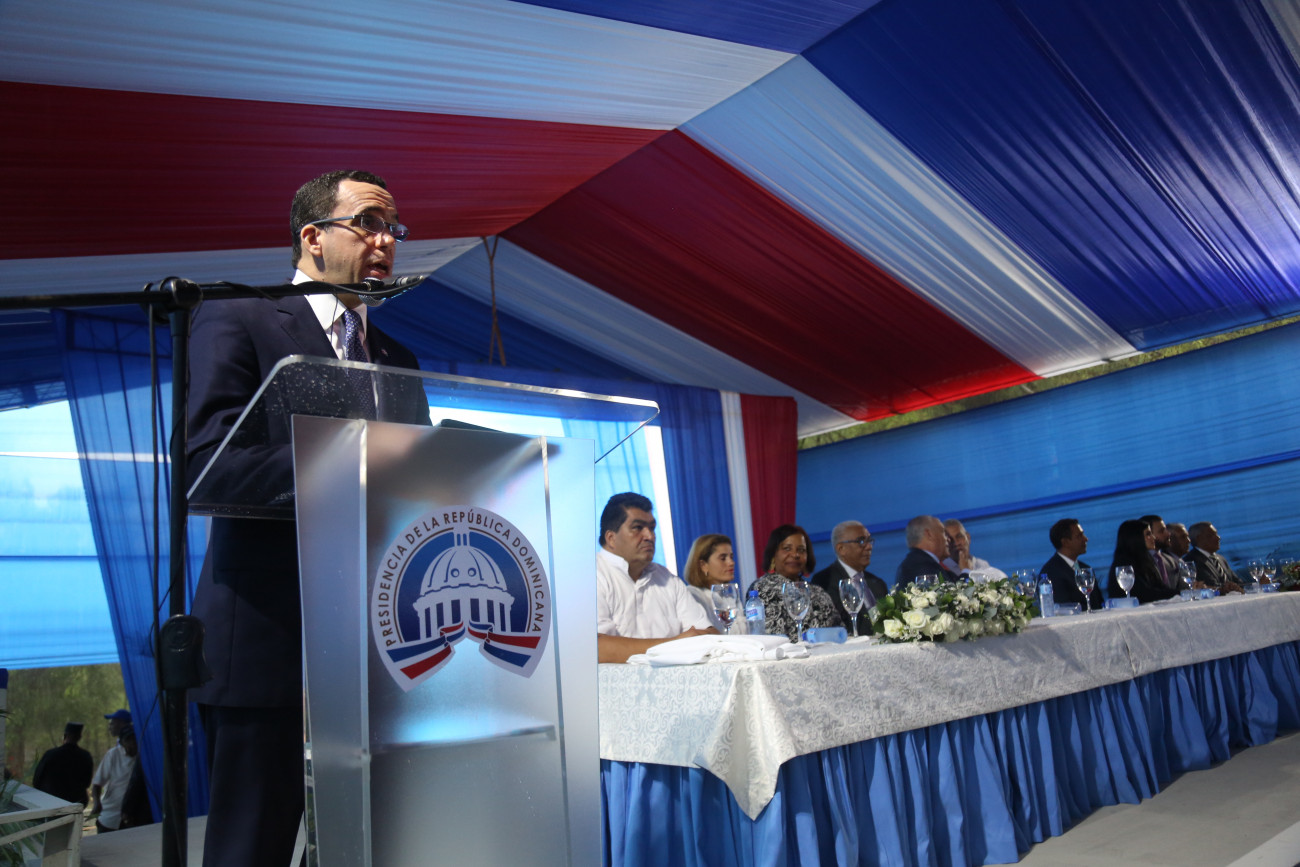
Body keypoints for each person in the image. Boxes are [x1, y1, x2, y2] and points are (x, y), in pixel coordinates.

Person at [187, 170, 431, 867]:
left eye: (393, 229)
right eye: (369, 223)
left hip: (377, 651)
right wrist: (352, 464)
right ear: (313, 237)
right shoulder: (241, 317)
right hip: (269, 644)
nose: (386, 241)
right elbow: (209, 466)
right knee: (251, 850)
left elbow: (415, 491)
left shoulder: (398, 359)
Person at [596, 493, 715, 663]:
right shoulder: (590, 576)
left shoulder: (667, 579)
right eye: (638, 527)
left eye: (652, 528)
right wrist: (674, 645)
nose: (650, 536)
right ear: (611, 538)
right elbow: (596, 649)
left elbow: (709, 634)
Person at [752, 524, 841, 641]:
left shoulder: (818, 592)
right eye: (787, 548)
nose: (795, 555)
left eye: (801, 550)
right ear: (773, 553)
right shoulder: (762, 589)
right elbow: (773, 638)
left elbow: (840, 632)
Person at [811, 521, 887, 635]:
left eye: (869, 540)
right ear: (841, 548)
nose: (869, 546)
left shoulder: (877, 583)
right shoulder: (824, 581)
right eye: (861, 541)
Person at [684, 533, 747, 634]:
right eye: (723, 558)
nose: (731, 562)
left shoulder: (730, 596)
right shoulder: (693, 596)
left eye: (731, 557)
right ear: (703, 565)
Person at [1039, 519, 1104, 611]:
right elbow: (1061, 608)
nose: (1086, 539)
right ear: (1065, 542)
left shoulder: (1086, 568)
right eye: (1079, 536)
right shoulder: (1051, 572)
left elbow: (1099, 603)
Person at [1107, 519, 1180, 603]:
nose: (1153, 537)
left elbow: (1160, 587)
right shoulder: (1123, 563)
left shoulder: (1146, 559)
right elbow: (1144, 593)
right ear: (1135, 537)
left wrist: (1182, 592)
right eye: (1148, 534)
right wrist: (1179, 593)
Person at [31, 722, 93, 806]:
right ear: (79, 737)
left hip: (50, 801)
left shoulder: (50, 754)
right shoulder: (85, 756)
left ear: (64, 735)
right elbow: (87, 783)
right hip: (76, 802)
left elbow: (37, 780)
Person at [92, 724, 138, 833]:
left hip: (133, 818)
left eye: (134, 739)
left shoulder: (144, 756)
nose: (132, 743)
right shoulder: (113, 755)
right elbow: (97, 783)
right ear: (122, 743)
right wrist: (97, 803)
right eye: (128, 740)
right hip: (109, 815)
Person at [895, 516, 958, 586]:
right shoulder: (921, 566)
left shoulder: (918, 562)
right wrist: (965, 572)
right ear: (929, 534)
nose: (948, 539)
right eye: (943, 533)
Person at [1185, 522, 1244, 593]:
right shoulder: (1191, 560)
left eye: (1216, 534)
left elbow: (1238, 582)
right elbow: (1208, 585)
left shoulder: (1221, 559)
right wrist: (1225, 589)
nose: (1218, 537)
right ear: (1199, 538)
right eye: (1212, 535)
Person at [941, 519, 1006, 580]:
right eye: (950, 539)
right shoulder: (943, 569)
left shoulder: (983, 564)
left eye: (959, 536)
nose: (956, 543)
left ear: (968, 537)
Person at [1139, 514, 1182, 590]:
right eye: (1161, 531)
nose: (1168, 534)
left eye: (1166, 530)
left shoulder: (1171, 561)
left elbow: (1182, 588)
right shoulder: (1138, 563)